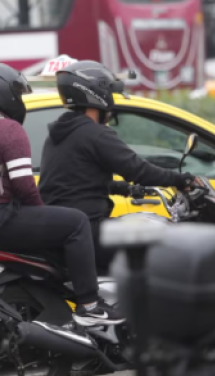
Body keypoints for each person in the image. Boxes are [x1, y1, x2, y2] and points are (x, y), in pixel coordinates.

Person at [0, 62, 123, 327]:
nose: (19, 99)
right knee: (75, 222)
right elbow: (24, 185)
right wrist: (41, 212)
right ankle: (90, 306)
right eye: (16, 92)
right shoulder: (7, 129)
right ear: (1, 92)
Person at [38, 60, 196, 273]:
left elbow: (75, 181)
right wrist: (181, 179)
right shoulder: (96, 134)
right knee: (162, 244)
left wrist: (125, 189)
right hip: (89, 230)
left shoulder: (59, 134)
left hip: (62, 230)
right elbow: (139, 170)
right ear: (96, 94)